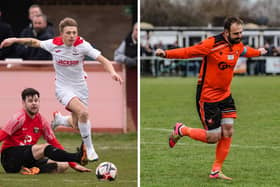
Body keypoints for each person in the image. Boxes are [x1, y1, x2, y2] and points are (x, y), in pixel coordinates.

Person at [155, 16, 267, 180]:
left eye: (241, 32)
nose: (240, 36)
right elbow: (188, 52)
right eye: (236, 33)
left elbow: (244, 50)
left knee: (228, 130)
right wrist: (166, 54)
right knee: (213, 138)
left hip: (225, 94)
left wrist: (258, 52)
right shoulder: (212, 44)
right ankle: (182, 130)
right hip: (208, 97)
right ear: (226, 32)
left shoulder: (237, 44)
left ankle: (216, 170)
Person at [0, 17, 123, 162]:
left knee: (78, 125)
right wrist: (14, 39)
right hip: (63, 88)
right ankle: (90, 149)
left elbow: (104, 60)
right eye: (68, 33)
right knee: (83, 112)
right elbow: (33, 42)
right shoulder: (53, 44)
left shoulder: (83, 45)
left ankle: (61, 120)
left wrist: (113, 73)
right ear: (62, 34)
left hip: (81, 87)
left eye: (74, 33)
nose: (72, 36)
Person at [0, 88, 91, 174]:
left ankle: (31, 170)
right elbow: (1, 135)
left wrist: (74, 165)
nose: (34, 103)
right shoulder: (18, 118)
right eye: (30, 101)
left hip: (27, 158)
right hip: (10, 158)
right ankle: (77, 157)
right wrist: (75, 159)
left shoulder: (42, 121)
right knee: (44, 147)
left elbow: (54, 143)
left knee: (63, 165)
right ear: (24, 103)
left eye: (36, 100)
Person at [114, 22, 137, 131]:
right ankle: (132, 127)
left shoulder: (143, 43)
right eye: (136, 30)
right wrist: (127, 60)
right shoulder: (127, 42)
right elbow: (117, 56)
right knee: (130, 103)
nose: (138, 32)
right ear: (133, 31)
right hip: (129, 77)